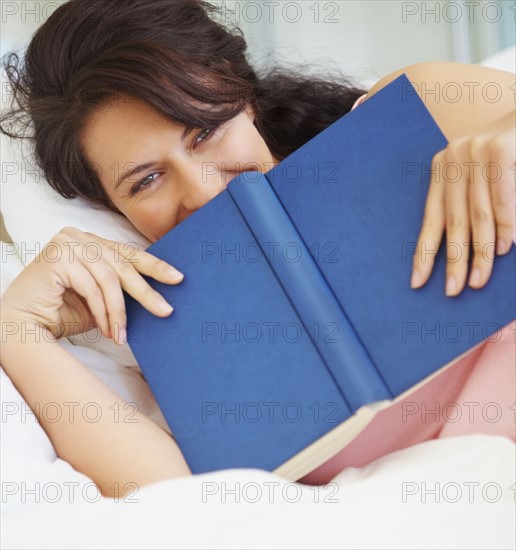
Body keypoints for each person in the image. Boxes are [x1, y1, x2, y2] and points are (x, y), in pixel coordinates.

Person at [0, 0, 514, 498]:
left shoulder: (414, 115)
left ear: (242, 95)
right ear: (111, 206)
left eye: (205, 132)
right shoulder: (168, 328)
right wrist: (17, 329)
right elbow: (177, 506)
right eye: (148, 180)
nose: (204, 192)